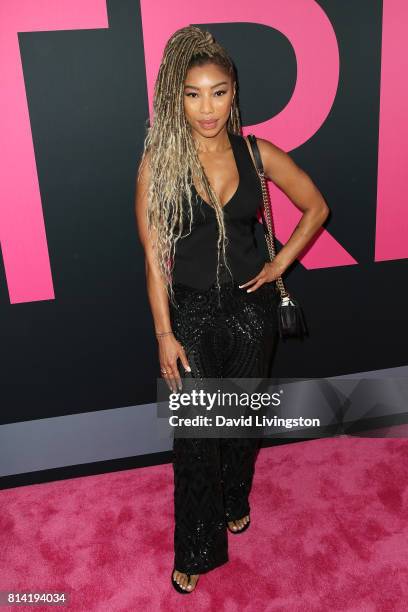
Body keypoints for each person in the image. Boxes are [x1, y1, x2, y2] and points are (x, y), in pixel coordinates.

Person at [135, 25, 329, 594]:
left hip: (252, 313)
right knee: (196, 434)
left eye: (217, 92)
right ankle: (195, 546)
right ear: (178, 97)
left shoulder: (257, 152)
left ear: (233, 93)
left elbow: (316, 206)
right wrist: (163, 334)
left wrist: (279, 266)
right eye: (193, 94)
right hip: (190, 315)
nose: (206, 108)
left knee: (241, 425)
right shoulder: (159, 164)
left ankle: (236, 496)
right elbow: (153, 258)